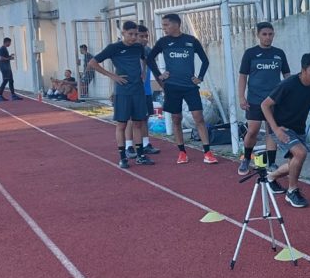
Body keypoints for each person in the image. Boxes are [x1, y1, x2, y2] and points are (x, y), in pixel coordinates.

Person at [147, 13, 218, 165]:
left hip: (190, 86)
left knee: (199, 118)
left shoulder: (191, 41)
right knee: (176, 119)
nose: (163, 28)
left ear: (176, 24)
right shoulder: (163, 42)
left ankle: (207, 152)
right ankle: (182, 152)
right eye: (163, 25)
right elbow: (149, 58)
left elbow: (205, 60)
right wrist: (160, 75)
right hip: (172, 87)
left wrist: (200, 77)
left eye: (166, 25)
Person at [260, 52, 310, 208]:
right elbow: (265, 105)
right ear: (303, 70)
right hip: (280, 127)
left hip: (299, 128)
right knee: (301, 153)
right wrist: (276, 129)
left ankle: (270, 177)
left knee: (295, 162)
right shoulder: (288, 84)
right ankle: (292, 191)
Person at [89, 21, 155, 169]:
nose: (133, 37)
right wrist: (113, 76)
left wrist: (143, 72)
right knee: (122, 124)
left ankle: (140, 156)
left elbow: (145, 60)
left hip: (138, 90)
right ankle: (123, 157)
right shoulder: (114, 48)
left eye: (135, 34)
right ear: (123, 33)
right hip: (123, 91)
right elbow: (92, 62)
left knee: (138, 122)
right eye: (130, 34)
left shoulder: (139, 47)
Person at [237, 21, 291, 177]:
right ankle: (247, 158)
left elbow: (287, 76)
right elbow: (242, 77)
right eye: (264, 34)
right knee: (253, 131)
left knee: (272, 131)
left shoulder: (279, 53)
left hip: (274, 100)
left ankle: (271, 162)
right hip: (254, 99)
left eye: (270, 34)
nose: (268, 37)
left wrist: (289, 95)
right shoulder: (250, 53)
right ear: (258, 35)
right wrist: (241, 97)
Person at [124, 25, 160, 156]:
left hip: (146, 91)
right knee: (130, 119)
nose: (145, 39)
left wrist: (162, 82)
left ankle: (146, 144)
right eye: (141, 36)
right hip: (131, 91)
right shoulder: (127, 50)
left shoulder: (148, 51)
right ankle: (128, 146)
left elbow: (154, 68)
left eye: (146, 36)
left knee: (144, 118)